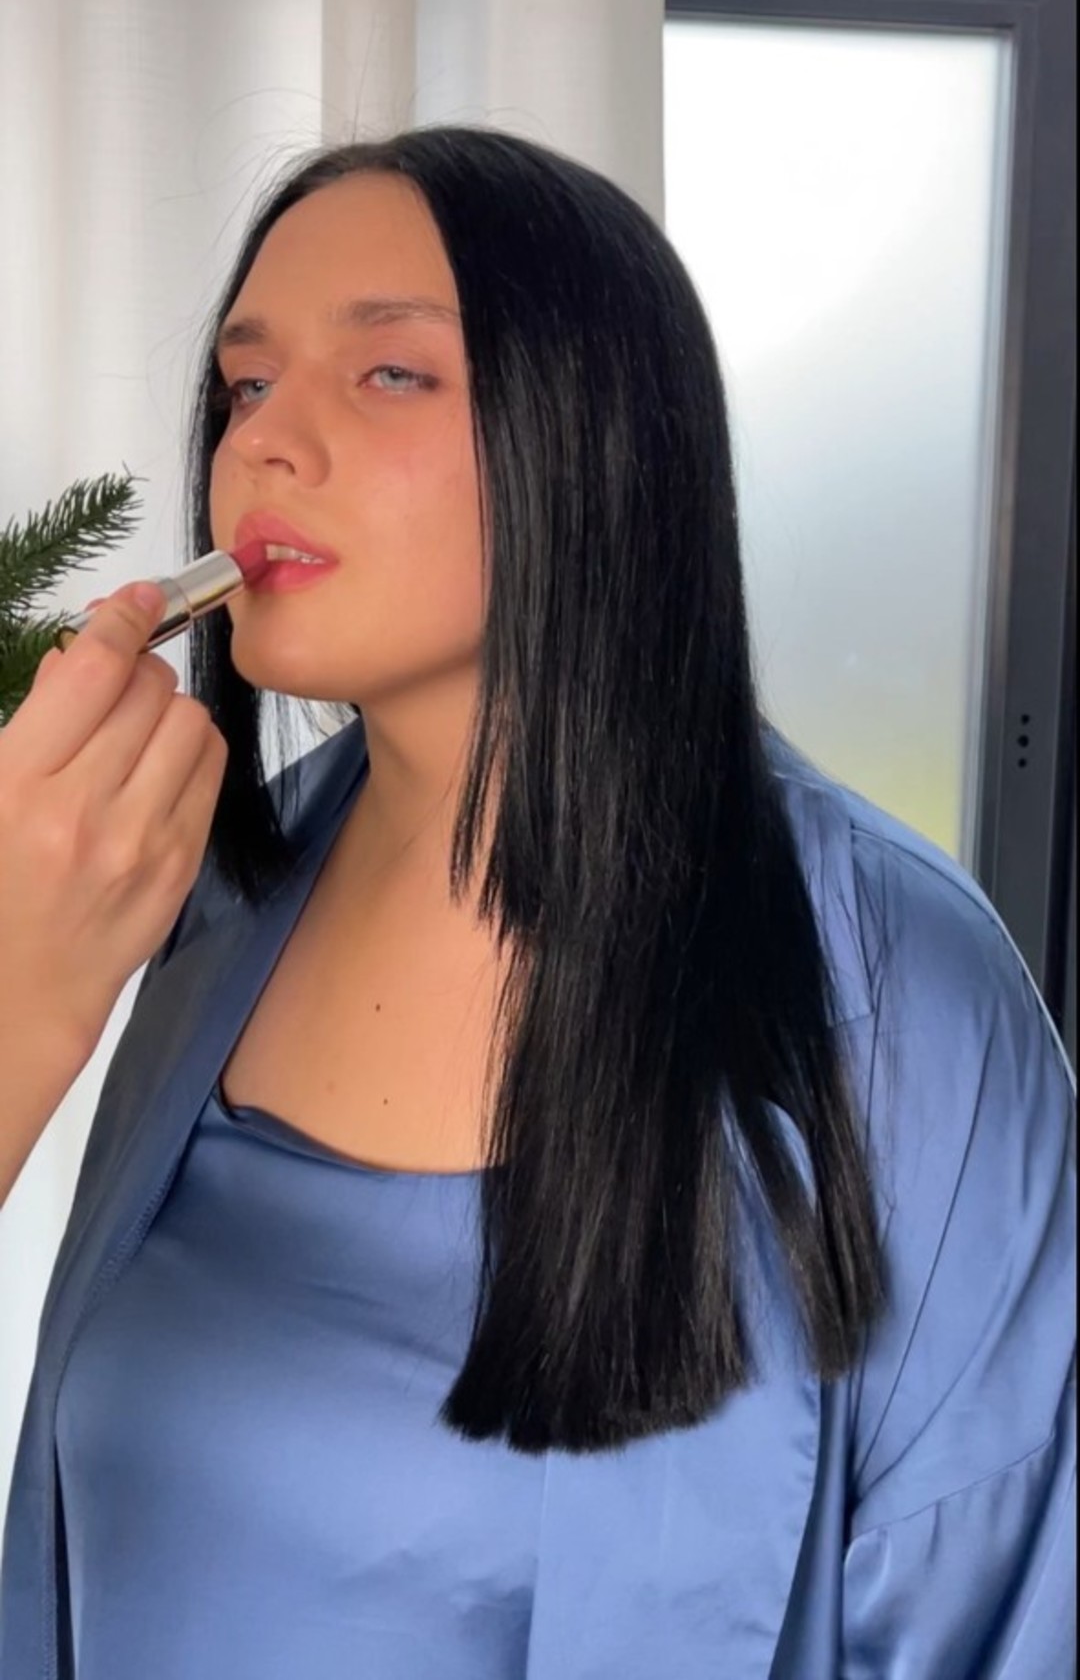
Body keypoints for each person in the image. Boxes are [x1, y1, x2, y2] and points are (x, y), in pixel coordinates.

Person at [1, 124, 1074, 1678]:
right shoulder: (216, 900)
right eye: (246, 384)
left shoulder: (901, 995)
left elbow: (1013, 1612)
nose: (265, 444)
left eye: (390, 372)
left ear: (600, 433)